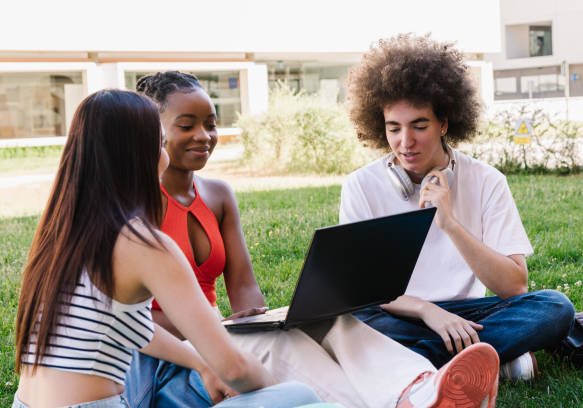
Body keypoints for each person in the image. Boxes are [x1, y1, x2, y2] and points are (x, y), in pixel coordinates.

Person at [123, 70, 502, 408]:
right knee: (281, 345)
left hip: (219, 337)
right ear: (152, 132)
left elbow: (244, 288)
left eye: (210, 123)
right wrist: (221, 341)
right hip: (172, 365)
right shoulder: (126, 212)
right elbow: (126, 323)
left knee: (329, 321)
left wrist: (260, 318)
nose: (203, 136)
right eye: (186, 125)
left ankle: (419, 387)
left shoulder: (217, 195)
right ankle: (407, 401)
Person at [12, 89, 323, 408]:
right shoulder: (144, 244)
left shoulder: (62, 234)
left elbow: (135, 328)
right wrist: (271, 395)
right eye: (160, 144)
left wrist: (201, 364)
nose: (165, 155)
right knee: (305, 399)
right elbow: (235, 367)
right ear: (137, 154)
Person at [340, 34, 576, 380]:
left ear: (444, 123)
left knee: (555, 307)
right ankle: (481, 358)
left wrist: (449, 223)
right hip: (398, 313)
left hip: (470, 314)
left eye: (419, 126)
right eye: (394, 128)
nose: (405, 142)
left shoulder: (487, 181)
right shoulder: (360, 186)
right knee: (347, 321)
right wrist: (426, 311)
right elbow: (364, 291)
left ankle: (421, 363)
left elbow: (514, 287)